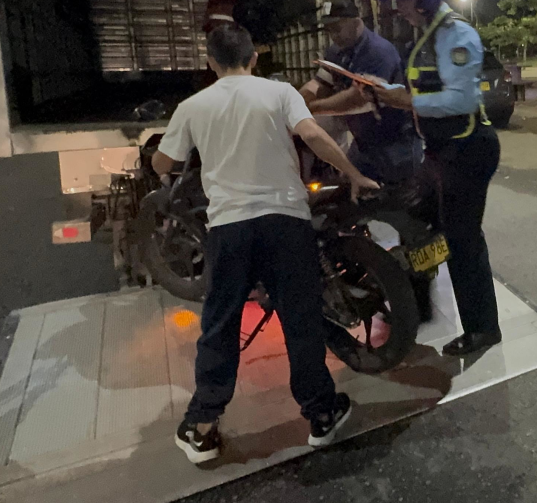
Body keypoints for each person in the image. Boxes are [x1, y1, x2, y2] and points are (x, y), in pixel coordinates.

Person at [153, 24, 380, 464]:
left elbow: (165, 161)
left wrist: (163, 157)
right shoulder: (280, 94)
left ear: (210, 63)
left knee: (219, 324)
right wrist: (353, 175)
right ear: (254, 56)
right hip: (285, 223)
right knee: (301, 320)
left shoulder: (193, 106)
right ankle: (321, 414)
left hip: (230, 229)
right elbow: (312, 135)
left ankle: (201, 426)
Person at [361, 0, 503, 357]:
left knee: (463, 240)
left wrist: (405, 102)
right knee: (414, 219)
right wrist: (385, 92)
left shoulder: (456, 35)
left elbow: (459, 100)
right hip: (441, 150)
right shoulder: (428, 35)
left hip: (467, 149)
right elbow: (426, 89)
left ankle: (482, 329)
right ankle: (416, 306)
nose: (398, 6)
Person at [299, 0, 423, 184]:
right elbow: (318, 83)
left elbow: (358, 99)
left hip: (395, 144)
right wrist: (295, 102)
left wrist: (311, 108)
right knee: (354, 191)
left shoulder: (377, 51)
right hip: (363, 143)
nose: (333, 35)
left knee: (396, 202)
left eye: (337, 28)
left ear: (356, 22)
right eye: (329, 30)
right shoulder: (336, 51)